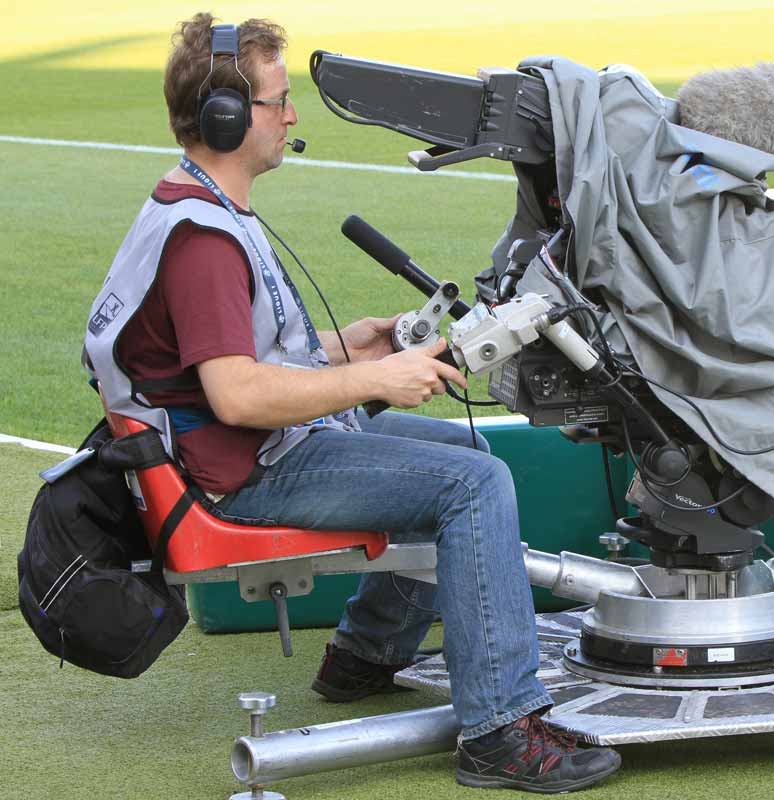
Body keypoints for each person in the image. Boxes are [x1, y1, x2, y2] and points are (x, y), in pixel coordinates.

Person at [81, 12, 620, 793]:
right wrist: (375, 380)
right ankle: (500, 729)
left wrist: (348, 346)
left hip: (230, 449)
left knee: (463, 453)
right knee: (476, 485)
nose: (291, 114)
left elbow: (217, 365)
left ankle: (363, 654)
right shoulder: (205, 242)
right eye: (278, 100)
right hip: (245, 468)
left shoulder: (189, 205)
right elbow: (236, 394)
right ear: (224, 119)